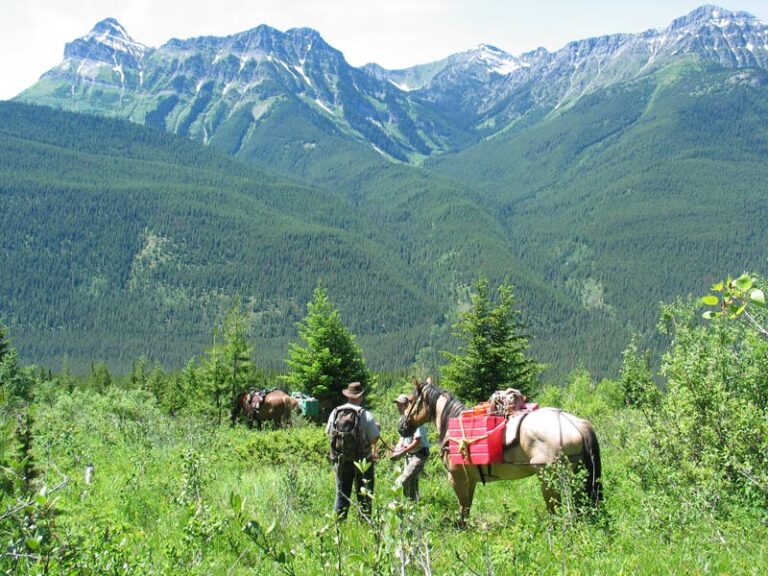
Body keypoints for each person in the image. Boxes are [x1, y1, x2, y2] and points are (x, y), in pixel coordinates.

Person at [326, 381, 380, 521]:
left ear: (348, 395)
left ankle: (338, 525)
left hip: (341, 461)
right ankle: (366, 524)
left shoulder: (335, 412)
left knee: (342, 494)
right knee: (365, 495)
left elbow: (329, 433)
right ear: (360, 396)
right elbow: (374, 440)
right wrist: (377, 429)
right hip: (363, 462)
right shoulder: (366, 415)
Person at [391, 394, 430, 502]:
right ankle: (413, 506)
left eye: (400, 404)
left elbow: (418, 441)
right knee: (411, 482)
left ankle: (397, 507)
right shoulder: (402, 419)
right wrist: (397, 448)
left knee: (402, 480)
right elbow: (402, 438)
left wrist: (403, 452)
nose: (398, 407)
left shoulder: (414, 419)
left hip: (419, 454)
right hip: (409, 454)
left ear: (407, 405)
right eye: (397, 404)